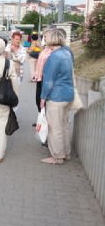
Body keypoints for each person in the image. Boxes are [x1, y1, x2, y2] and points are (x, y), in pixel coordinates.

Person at [40, 29, 74, 165]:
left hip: (56, 96)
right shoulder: (67, 53)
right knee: (64, 125)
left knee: (55, 128)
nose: (45, 39)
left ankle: (57, 157)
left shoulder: (54, 57)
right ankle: (66, 153)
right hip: (68, 95)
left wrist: (43, 98)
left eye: (46, 37)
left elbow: (49, 80)